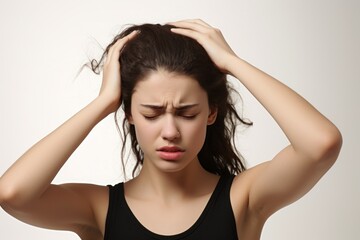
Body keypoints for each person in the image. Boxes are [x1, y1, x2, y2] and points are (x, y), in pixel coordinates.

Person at [0, 19, 342, 240]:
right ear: (129, 114)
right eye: (151, 113)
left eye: (187, 113)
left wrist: (232, 64)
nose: (170, 131)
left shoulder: (243, 199)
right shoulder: (99, 209)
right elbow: (13, 194)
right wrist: (102, 103)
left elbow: (321, 143)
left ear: (211, 113)